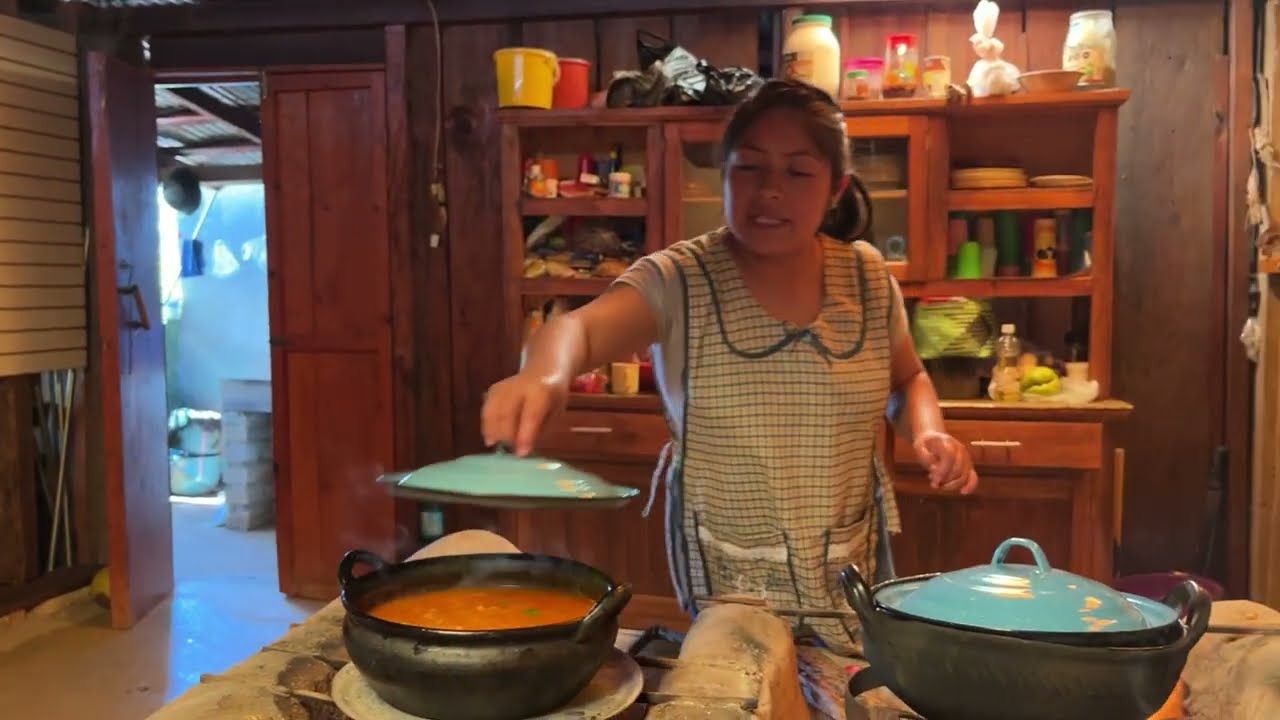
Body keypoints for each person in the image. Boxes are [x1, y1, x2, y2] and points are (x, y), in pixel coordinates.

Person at [482, 79, 978, 717]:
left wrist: (929, 432)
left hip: (849, 576)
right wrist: (544, 375)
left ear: (835, 187)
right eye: (749, 168)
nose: (770, 191)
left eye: (798, 172)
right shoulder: (679, 280)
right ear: (724, 175)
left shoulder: (867, 278)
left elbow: (906, 379)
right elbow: (574, 328)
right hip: (735, 589)